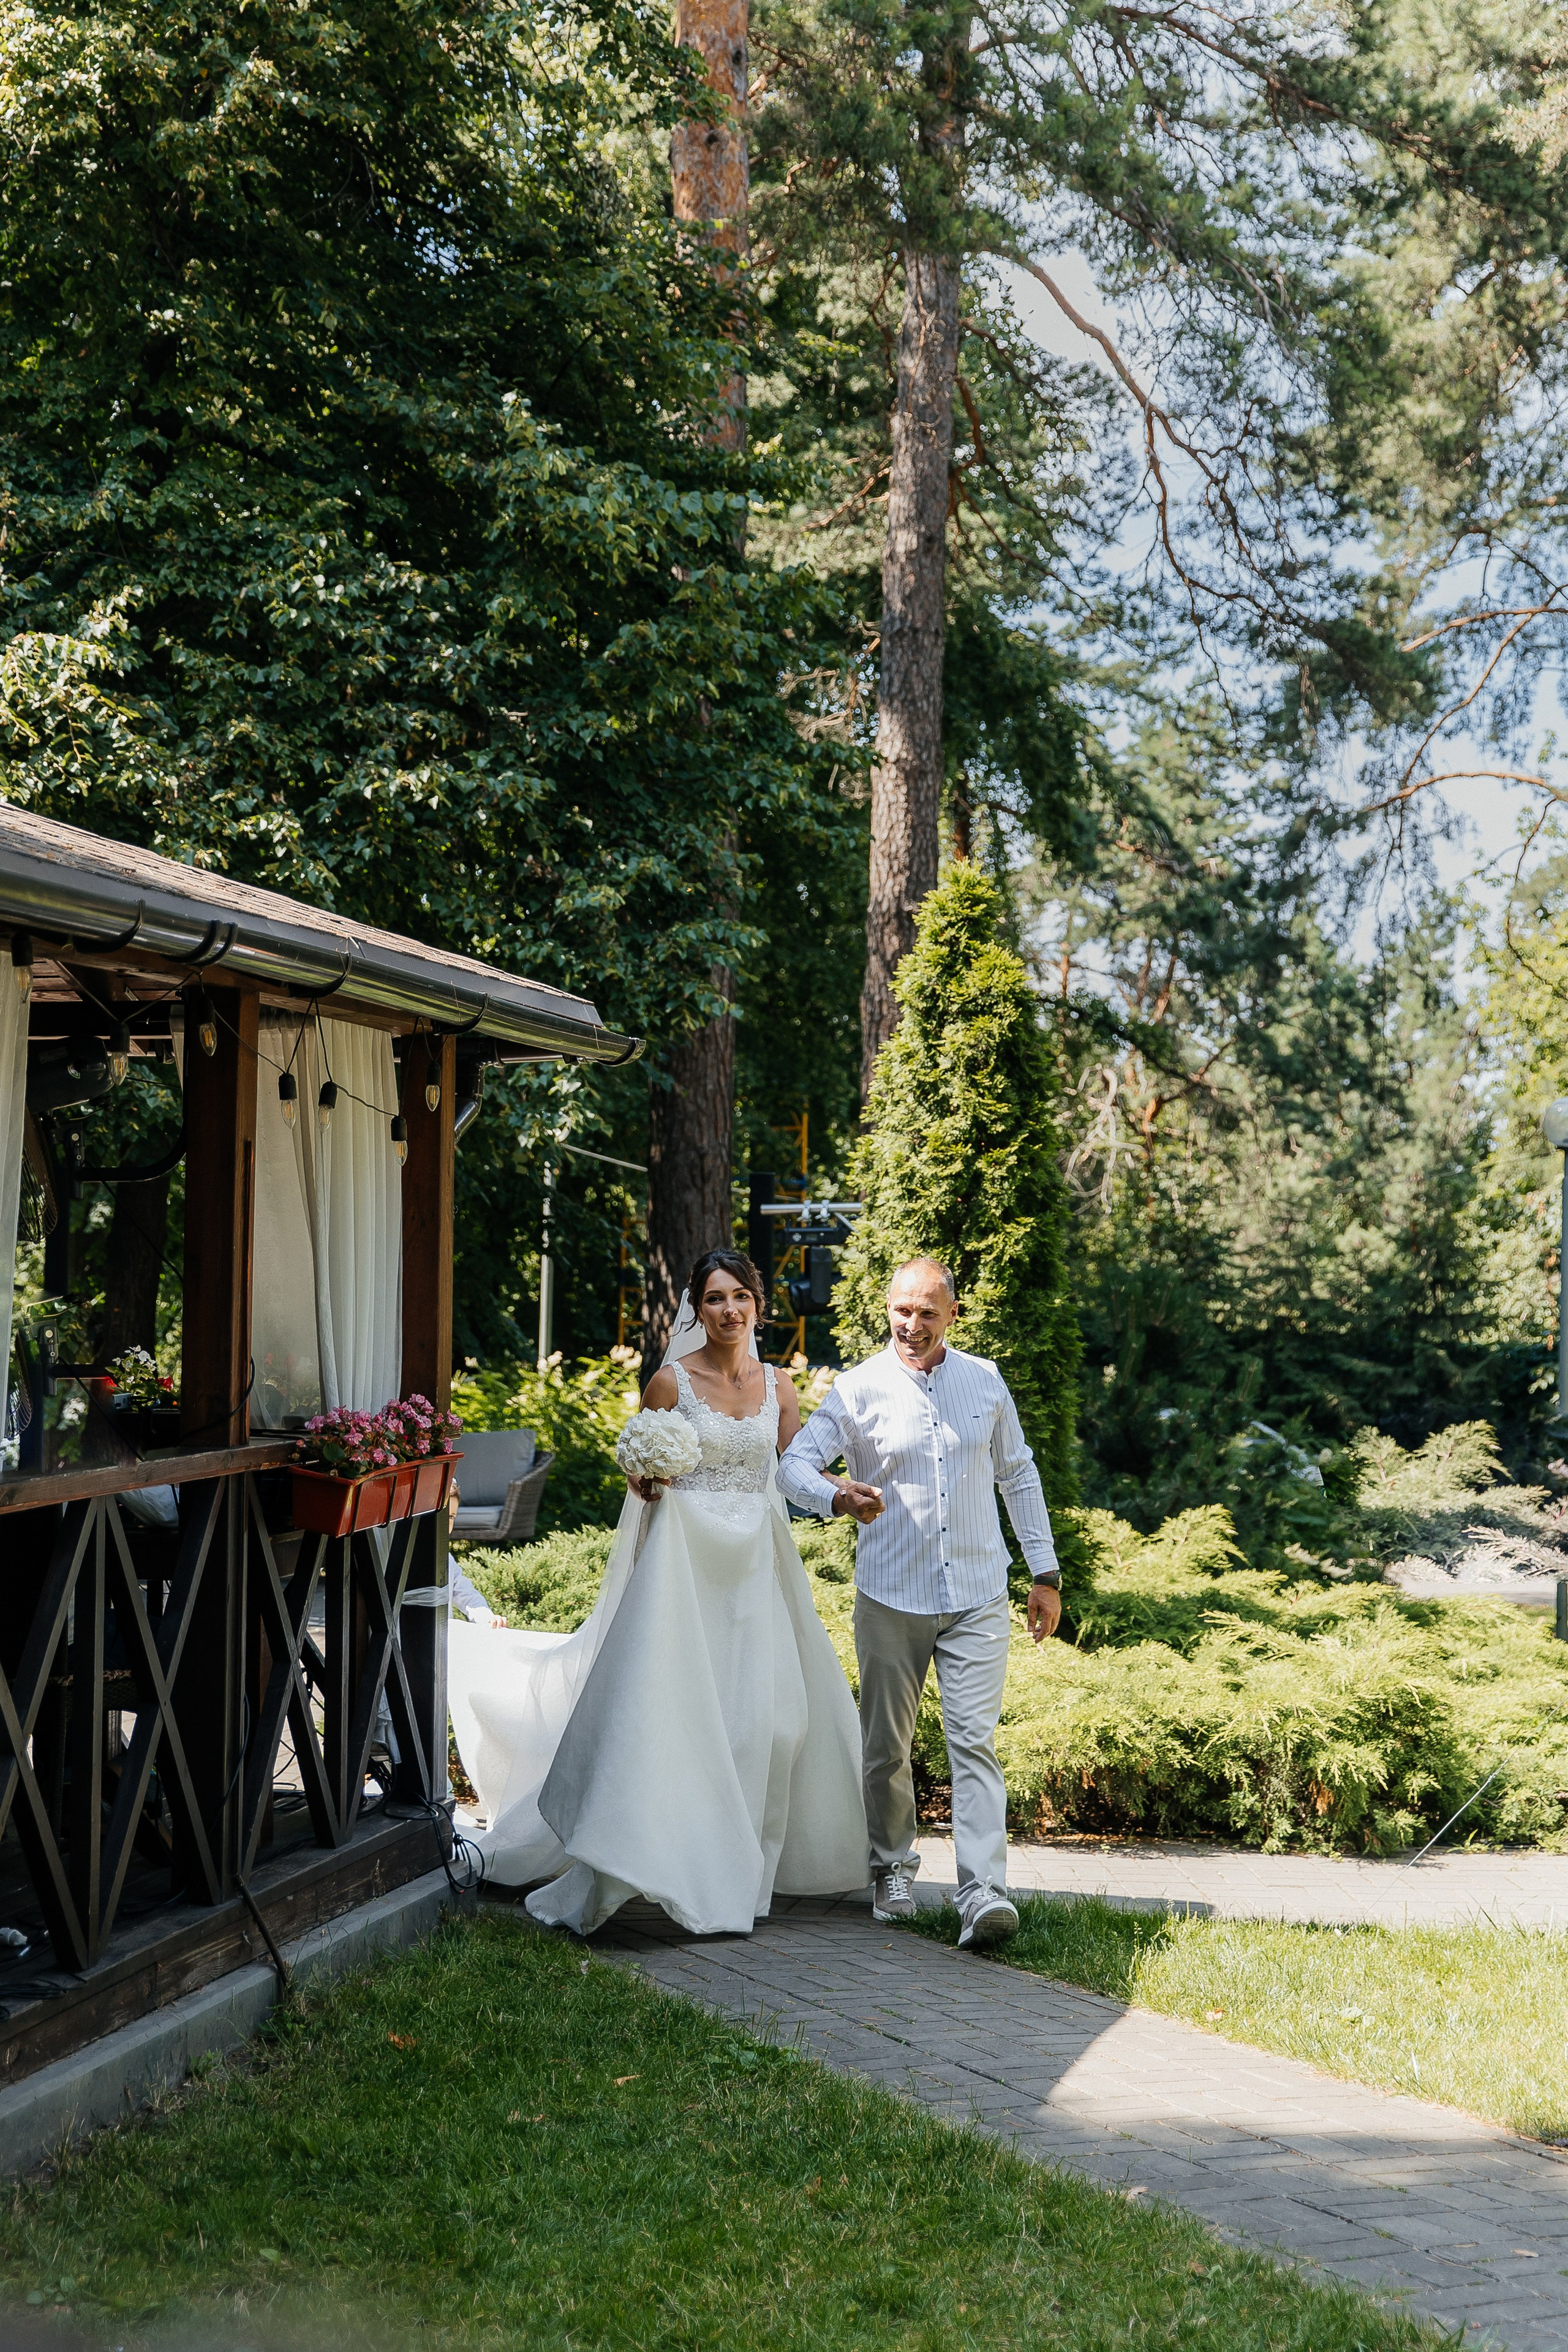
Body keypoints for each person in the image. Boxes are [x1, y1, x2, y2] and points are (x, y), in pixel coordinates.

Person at [447, 1248, 869, 1937]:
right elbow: (642, 1480)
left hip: (755, 1567)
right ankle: (678, 1872)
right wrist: (645, 1480)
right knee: (680, 1720)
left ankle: (740, 1875)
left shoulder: (780, 1386)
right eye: (715, 1298)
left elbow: (794, 1472)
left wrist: (840, 1494)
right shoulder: (671, 1383)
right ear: (696, 1309)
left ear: (758, 1304)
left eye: (740, 1296)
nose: (729, 1310)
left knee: (771, 1723)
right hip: (686, 1567)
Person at [779, 1256, 1062, 1949]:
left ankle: (982, 1891)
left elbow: (1018, 1475)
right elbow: (791, 1466)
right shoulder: (858, 1389)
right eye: (902, 1310)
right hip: (890, 1596)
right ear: (888, 1308)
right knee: (886, 1748)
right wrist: (836, 1496)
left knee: (973, 1741)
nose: (912, 1325)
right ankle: (892, 1869)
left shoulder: (985, 1381)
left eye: (927, 1313)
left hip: (977, 1594)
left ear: (953, 1315)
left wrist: (1045, 1572)